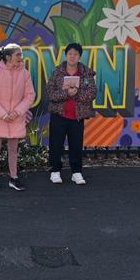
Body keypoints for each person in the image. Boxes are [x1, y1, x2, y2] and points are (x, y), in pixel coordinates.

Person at [0, 43, 35, 191]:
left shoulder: (24, 73)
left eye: (21, 54)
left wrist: (17, 112)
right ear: (8, 57)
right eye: (18, 54)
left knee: (13, 149)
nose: (21, 57)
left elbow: (30, 95)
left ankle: (14, 178)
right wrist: (2, 114)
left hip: (16, 118)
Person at [45, 43, 96, 185]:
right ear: (66, 55)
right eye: (70, 54)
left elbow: (92, 93)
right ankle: (55, 171)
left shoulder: (86, 72)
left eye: (75, 54)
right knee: (56, 144)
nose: (72, 57)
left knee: (76, 145)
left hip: (77, 116)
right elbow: (50, 93)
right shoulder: (57, 72)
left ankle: (76, 172)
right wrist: (66, 93)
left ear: (79, 56)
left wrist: (76, 92)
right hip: (59, 115)